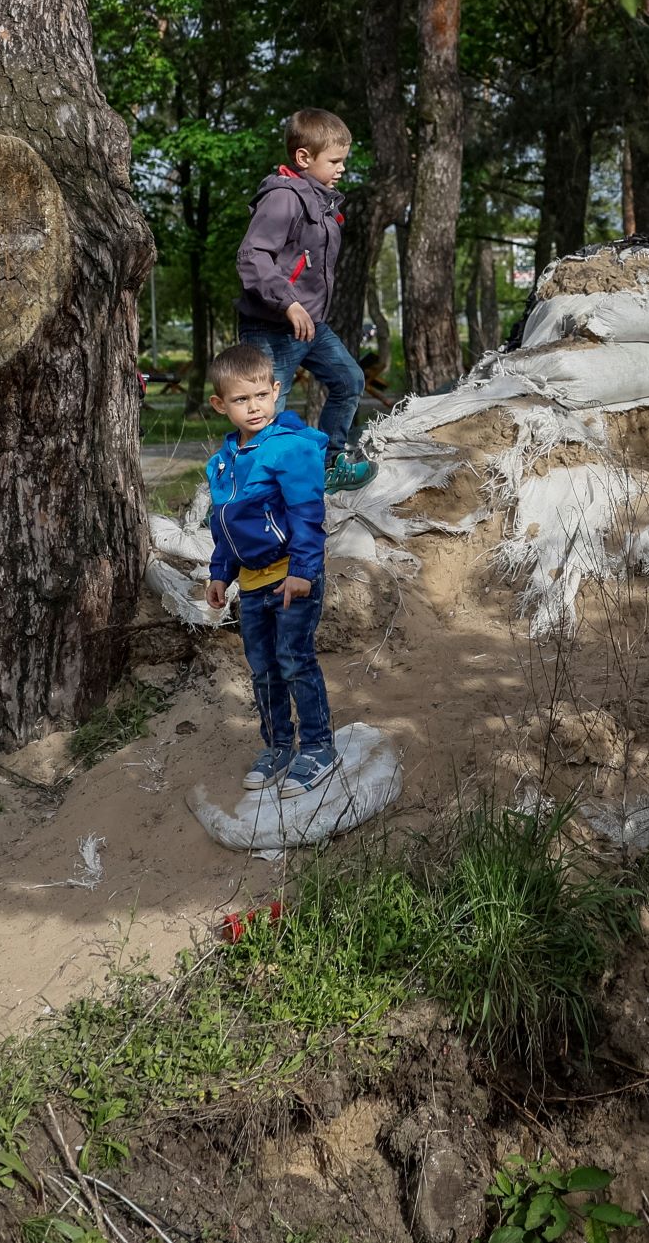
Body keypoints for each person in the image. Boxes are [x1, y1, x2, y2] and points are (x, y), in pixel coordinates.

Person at [202, 342, 338, 795]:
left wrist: (303, 570)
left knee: (294, 660)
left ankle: (318, 747)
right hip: (253, 585)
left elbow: (306, 514)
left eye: (261, 395)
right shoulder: (221, 463)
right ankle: (279, 745)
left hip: (290, 578)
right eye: (241, 400)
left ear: (276, 390)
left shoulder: (289, 449)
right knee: (262, 668)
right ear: (221, 405)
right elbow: (223, 524)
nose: (253, 406)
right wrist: (220, 572)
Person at [236, 108, 375, 492]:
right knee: (264, 410)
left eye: (343, 160)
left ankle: (330, 464)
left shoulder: (322, 203)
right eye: (335, 161)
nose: (342, 168)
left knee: (349, 379)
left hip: (309, 324)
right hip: (272, 325)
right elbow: (252, 257)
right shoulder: (283, 198)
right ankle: (244, 494)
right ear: (304, 158)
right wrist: (287, 303)